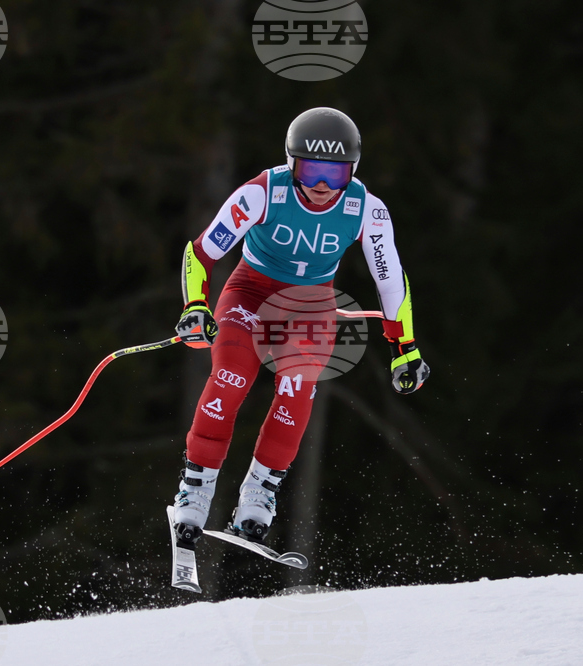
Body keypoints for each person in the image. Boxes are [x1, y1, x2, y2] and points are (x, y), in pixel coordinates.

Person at [170, 107, 430, 547]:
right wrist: (196, 305)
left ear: (354, 170)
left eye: (336, 173)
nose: (323, 187)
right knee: (231, 376)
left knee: (298, 385)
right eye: (310, 172)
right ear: (292, 164)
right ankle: (195, 489)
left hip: (309, 307)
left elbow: (390, 279)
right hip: (250, 293)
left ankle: (259, 490)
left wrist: (404, 345)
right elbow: (201, 253)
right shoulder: (261, 193)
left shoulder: (366, 208)